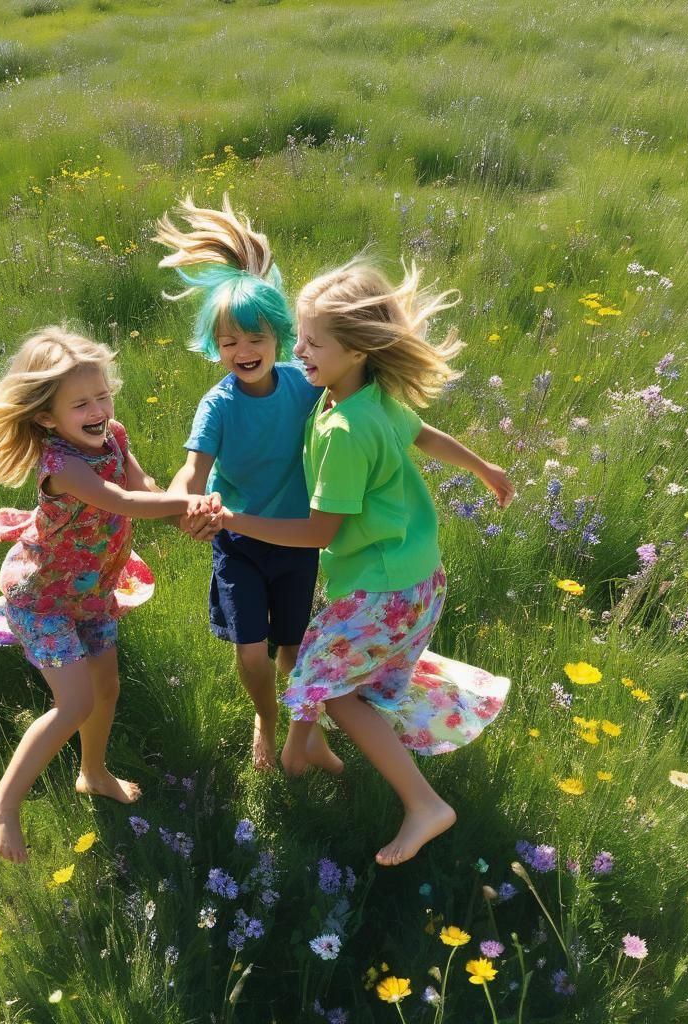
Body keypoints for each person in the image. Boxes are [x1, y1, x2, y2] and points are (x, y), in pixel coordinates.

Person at [194, 259, 514, 866]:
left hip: (379, 588)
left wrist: (231, 519)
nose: (300, 352)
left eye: (313, 343)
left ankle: (424, 804)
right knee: (319, 664)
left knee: (342, 694)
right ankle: (300, 751)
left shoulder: (343, 427)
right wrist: (482, 467)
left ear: (359, 349)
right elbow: (424, 435)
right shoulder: (373, 397)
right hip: (416, 576)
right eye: (300, 339)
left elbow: (318, 531)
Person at [0, 326, 203, 863]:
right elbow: (123, 502)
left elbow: (143, 486)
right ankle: (2, 803)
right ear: (45, 416)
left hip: (92, 589)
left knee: (106, 689)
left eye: (102, 394)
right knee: (76, 700)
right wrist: (188, 506)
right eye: (81, 402)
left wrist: (185, 510)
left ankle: (93, 773)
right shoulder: (62, 467)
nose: (98, 408)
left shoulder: (114, 436)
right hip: (43, 597)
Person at [156, 195, 340, 774]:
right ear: (215, 345)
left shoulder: (302, 386)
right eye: (230, 340)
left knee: (292, 650)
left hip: (297, 541)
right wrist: (186, 502)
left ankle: (305, 728)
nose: (243, 350)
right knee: (252, 654)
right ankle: (266, 720)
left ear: (280, 338)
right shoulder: (218, 405)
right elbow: (193, 470)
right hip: (238, 545)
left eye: (256, 338)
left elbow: (356, 396)